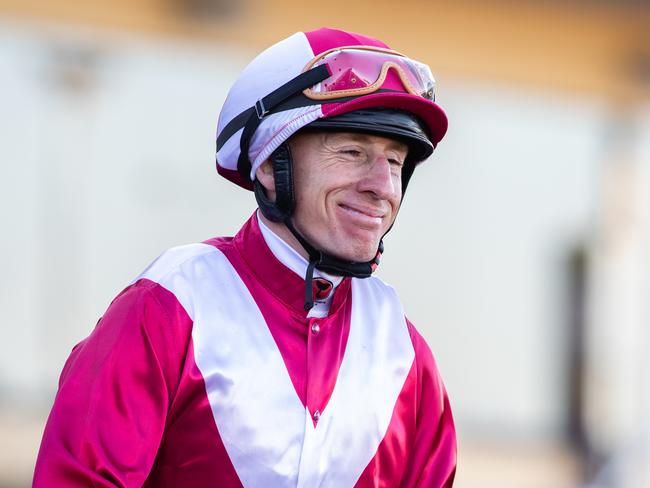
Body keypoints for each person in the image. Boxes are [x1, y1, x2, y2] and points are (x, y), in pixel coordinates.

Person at [33, 27, 457, 487]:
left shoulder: (406, 355)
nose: (381, 186)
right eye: (352, 152)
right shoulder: (170, 305)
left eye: (394, 162)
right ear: (271, 169)